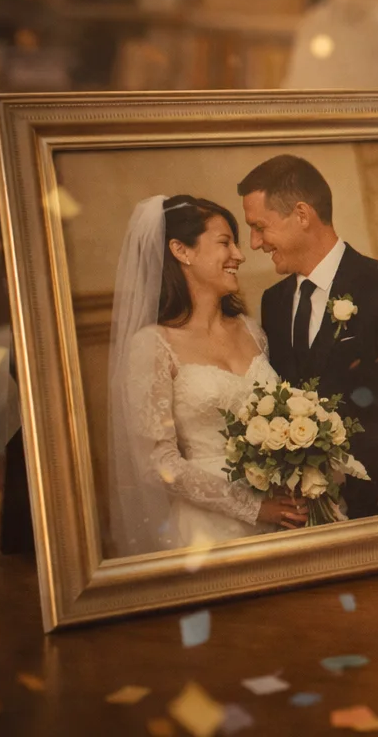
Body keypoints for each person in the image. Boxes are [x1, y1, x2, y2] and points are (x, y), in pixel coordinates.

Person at [239, 155, 378, 518]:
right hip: (307, 512)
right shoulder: (274, 301)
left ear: (302, 214)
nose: (255, 243)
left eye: (260, 227)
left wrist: (337, 468)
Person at [107, 195, 306, 557]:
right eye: (224, 242)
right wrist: (253, 507)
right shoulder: (152, 345)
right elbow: (158, 464)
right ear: (182, 251)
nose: (239, 256)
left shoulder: (250, 330)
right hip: (210, 531)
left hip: (284, 515)